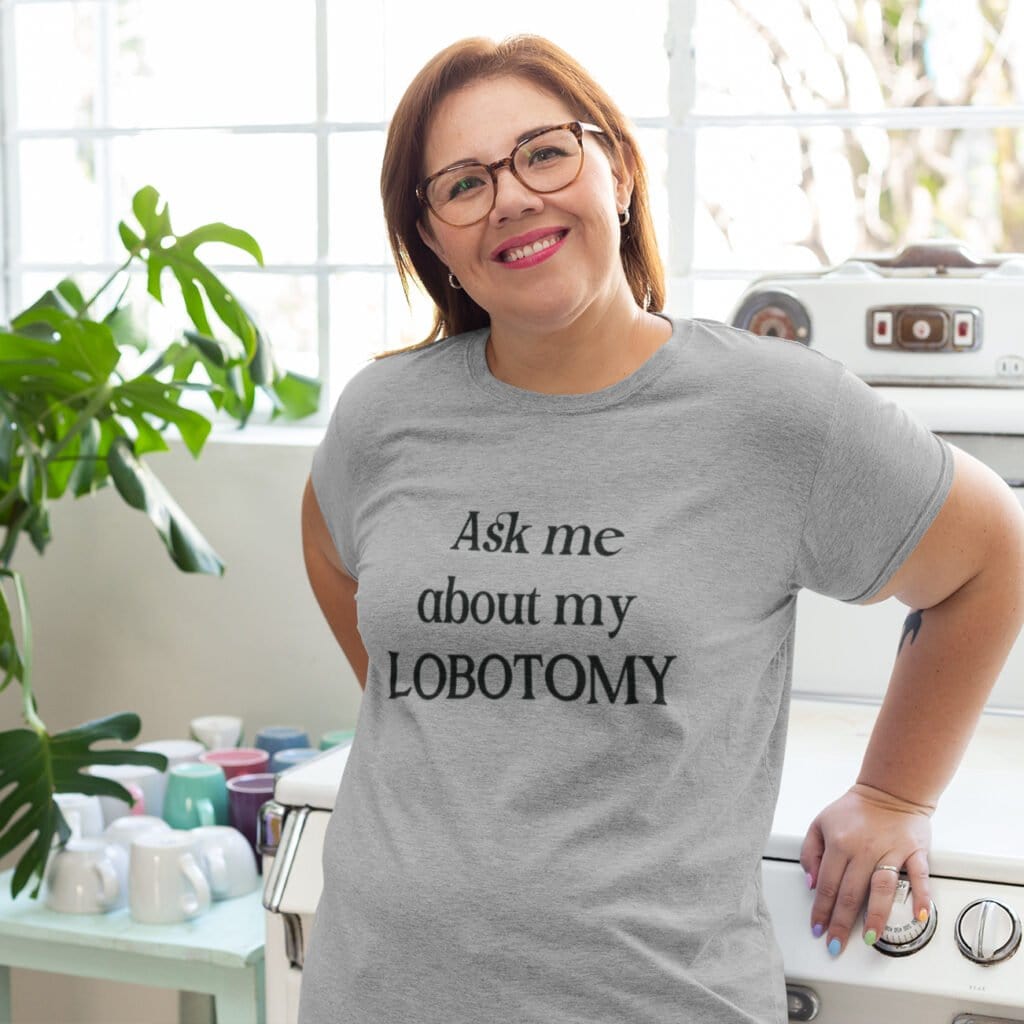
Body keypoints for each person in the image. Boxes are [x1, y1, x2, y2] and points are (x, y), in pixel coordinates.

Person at [299, 34, 1024, 1024]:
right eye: (462, 184)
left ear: (620, 170)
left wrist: (894, 795)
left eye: (544, 153)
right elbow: (333, 549)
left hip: (651, 996)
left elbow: (993, 557)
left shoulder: (772, 412)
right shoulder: (382, 415)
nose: (510, 196)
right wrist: (446, 724)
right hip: (377, 986)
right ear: (434, 240)